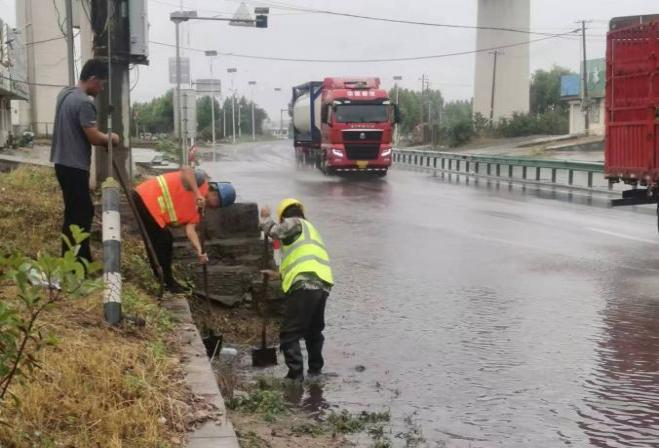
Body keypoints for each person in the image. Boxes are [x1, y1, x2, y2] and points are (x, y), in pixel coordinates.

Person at [51, 58, 119, 263]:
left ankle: (75, 259)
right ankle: (77, 263)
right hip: (75, 166)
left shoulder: (65, 94)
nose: (102, 88)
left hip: (61, 163)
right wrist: (112, 138)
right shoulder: (84, 102)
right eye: (101, 83)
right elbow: (94, 137)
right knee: (81, 214)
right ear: (93, 79)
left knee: (75, 212)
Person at [260, 198, 334, 381]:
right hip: (322, 284)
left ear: (283, 216)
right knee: (313, 331)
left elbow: (274, 231)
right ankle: (315, 371)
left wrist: (265, 219)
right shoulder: (311, 229)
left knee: (289, 333)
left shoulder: (294, 222)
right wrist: (277, 274)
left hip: (303, 285)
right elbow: (301, 259)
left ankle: (295, 376)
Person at [132, 168, 229, 293]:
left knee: (163, 240)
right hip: (145, 197)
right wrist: (197, 193)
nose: (215, 207)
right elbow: (186, 170)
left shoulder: (199, 210)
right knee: (163, 240)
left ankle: (164, 279)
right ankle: (165, 281)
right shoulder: (200, 181)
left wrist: (200, 251)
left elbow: (190, 230)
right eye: (217, 203)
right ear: (214, 193)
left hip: (153, 208)